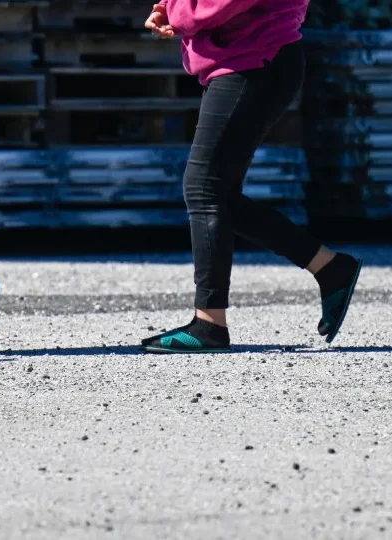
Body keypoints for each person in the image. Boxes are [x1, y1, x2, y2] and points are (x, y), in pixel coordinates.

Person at [139, 0, 362, 354]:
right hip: (252, 58)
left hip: (255, 60)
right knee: (218, 195)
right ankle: (330, 268)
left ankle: (209, 324)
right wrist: (170, 6)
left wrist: (181, 15)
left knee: (204, 188)